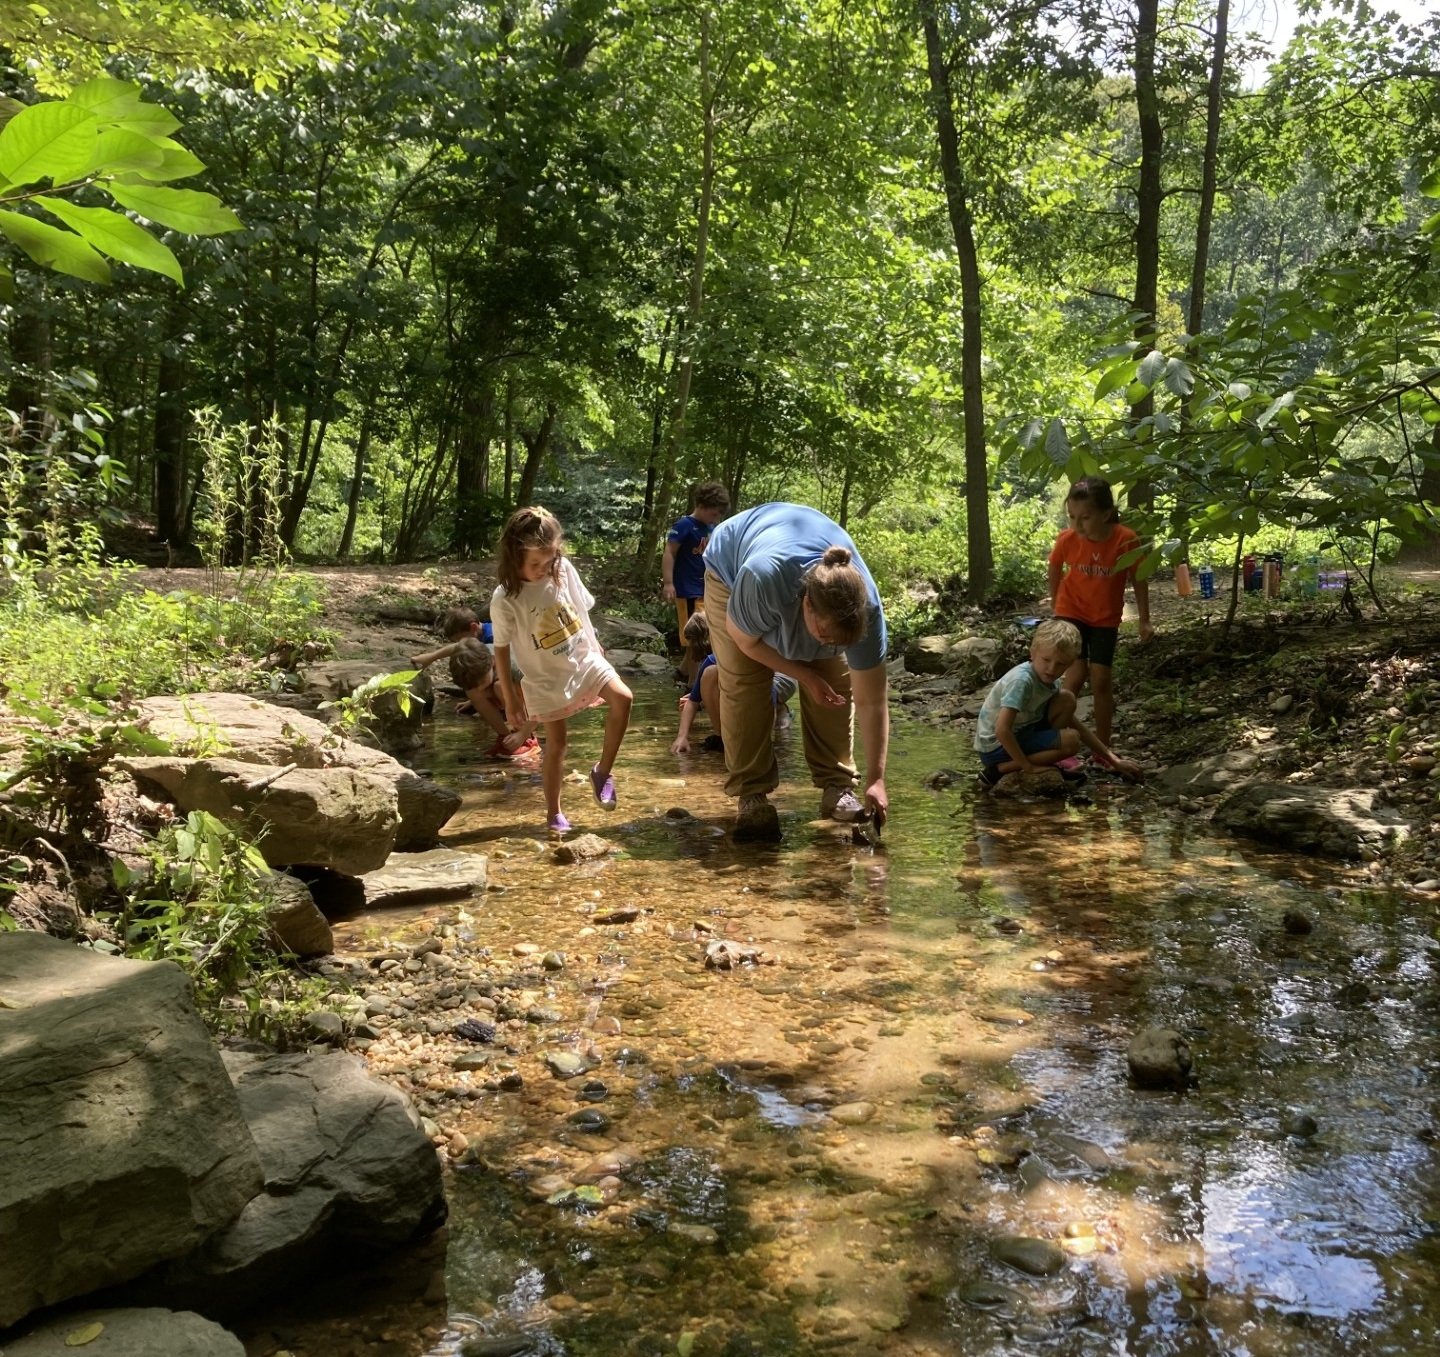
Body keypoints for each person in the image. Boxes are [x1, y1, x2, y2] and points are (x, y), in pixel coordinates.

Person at [702, 502, 890, 842]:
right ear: (805, 605)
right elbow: (747, 644)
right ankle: (752, 794)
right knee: (746, 684)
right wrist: (805, 675)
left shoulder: (867, 611)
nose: (831, 645)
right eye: (824, 637)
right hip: (731, 570)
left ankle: (838, 786)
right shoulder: (763, 578)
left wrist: (878, 778)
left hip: (800, 581)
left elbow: (872, 701)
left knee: (835, 682)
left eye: (840, 642)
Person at [490, 506, 633, 835]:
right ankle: (554, 813)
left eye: (549, 559)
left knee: (623, 699)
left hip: (582, 657)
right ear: (514, 558)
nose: (543, 569)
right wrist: (511, 699)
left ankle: (602, 772)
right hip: (543, 677)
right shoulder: (506, 598)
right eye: (534, 563)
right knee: (558, 743)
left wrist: (595, 643)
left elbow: (580, 608)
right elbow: (501, 648)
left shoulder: (563, 569)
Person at [1048, 476, 1153, 748]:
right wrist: (1054, 601)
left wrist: (1145, 620)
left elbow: (1139, 578)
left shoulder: (1125, 539)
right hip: (1071, 609)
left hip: (1104, 617)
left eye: (1085, 517)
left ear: (1106, 514)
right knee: (1075, 673)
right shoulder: (1067, 539)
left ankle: (1103, 746)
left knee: (1101, 678)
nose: (1077, 524)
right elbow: (1055, 566)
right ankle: (1050, 736)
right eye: (1072, 517)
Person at [975, 619, 1143, 787]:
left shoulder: (1050, 681)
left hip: (1021, 732)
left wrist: (1114, 760)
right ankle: (1001, 769)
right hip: (994, 748)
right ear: (1032, 653)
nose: (1052, 669)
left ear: (1070, 664)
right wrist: (1028, 767)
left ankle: (1035, 760)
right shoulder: (1022, 681)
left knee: (1067, 699)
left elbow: (1076, 724)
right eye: (1046, 660)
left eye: (1060, 664)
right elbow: (1002, 730)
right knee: (1071, 741)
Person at [670, 612, 795, 755]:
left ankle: (781, 710)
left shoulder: (748, 651)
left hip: (780, 674)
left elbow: (766, 692)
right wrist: (682, 737)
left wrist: (763, 739)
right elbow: (692, 702)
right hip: (747, 683)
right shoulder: (713, 661)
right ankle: (723, 738)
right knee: (711, 674)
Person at [662, 480, 730, 682]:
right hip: (687, 590)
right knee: (695, 638)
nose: (716, 518)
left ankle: (682, 672)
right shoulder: (684, 525)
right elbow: (669, 552)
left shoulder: (712, 528)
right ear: (701, 506)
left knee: (703, 635)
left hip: (707, 589)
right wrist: (668, 583)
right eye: (714, 513)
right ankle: (693, 686)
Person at [446, 638, 540, 760]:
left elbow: (541, 703)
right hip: (505, 688)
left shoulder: (515, 667)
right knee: (473, 691)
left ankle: (528, 739)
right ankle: (505, 736)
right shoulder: (475, 663)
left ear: (493, 662)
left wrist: (522, 734)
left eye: (482, 683)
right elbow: (456, 647)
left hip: (539, 690)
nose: (479, 690)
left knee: (499, 686)